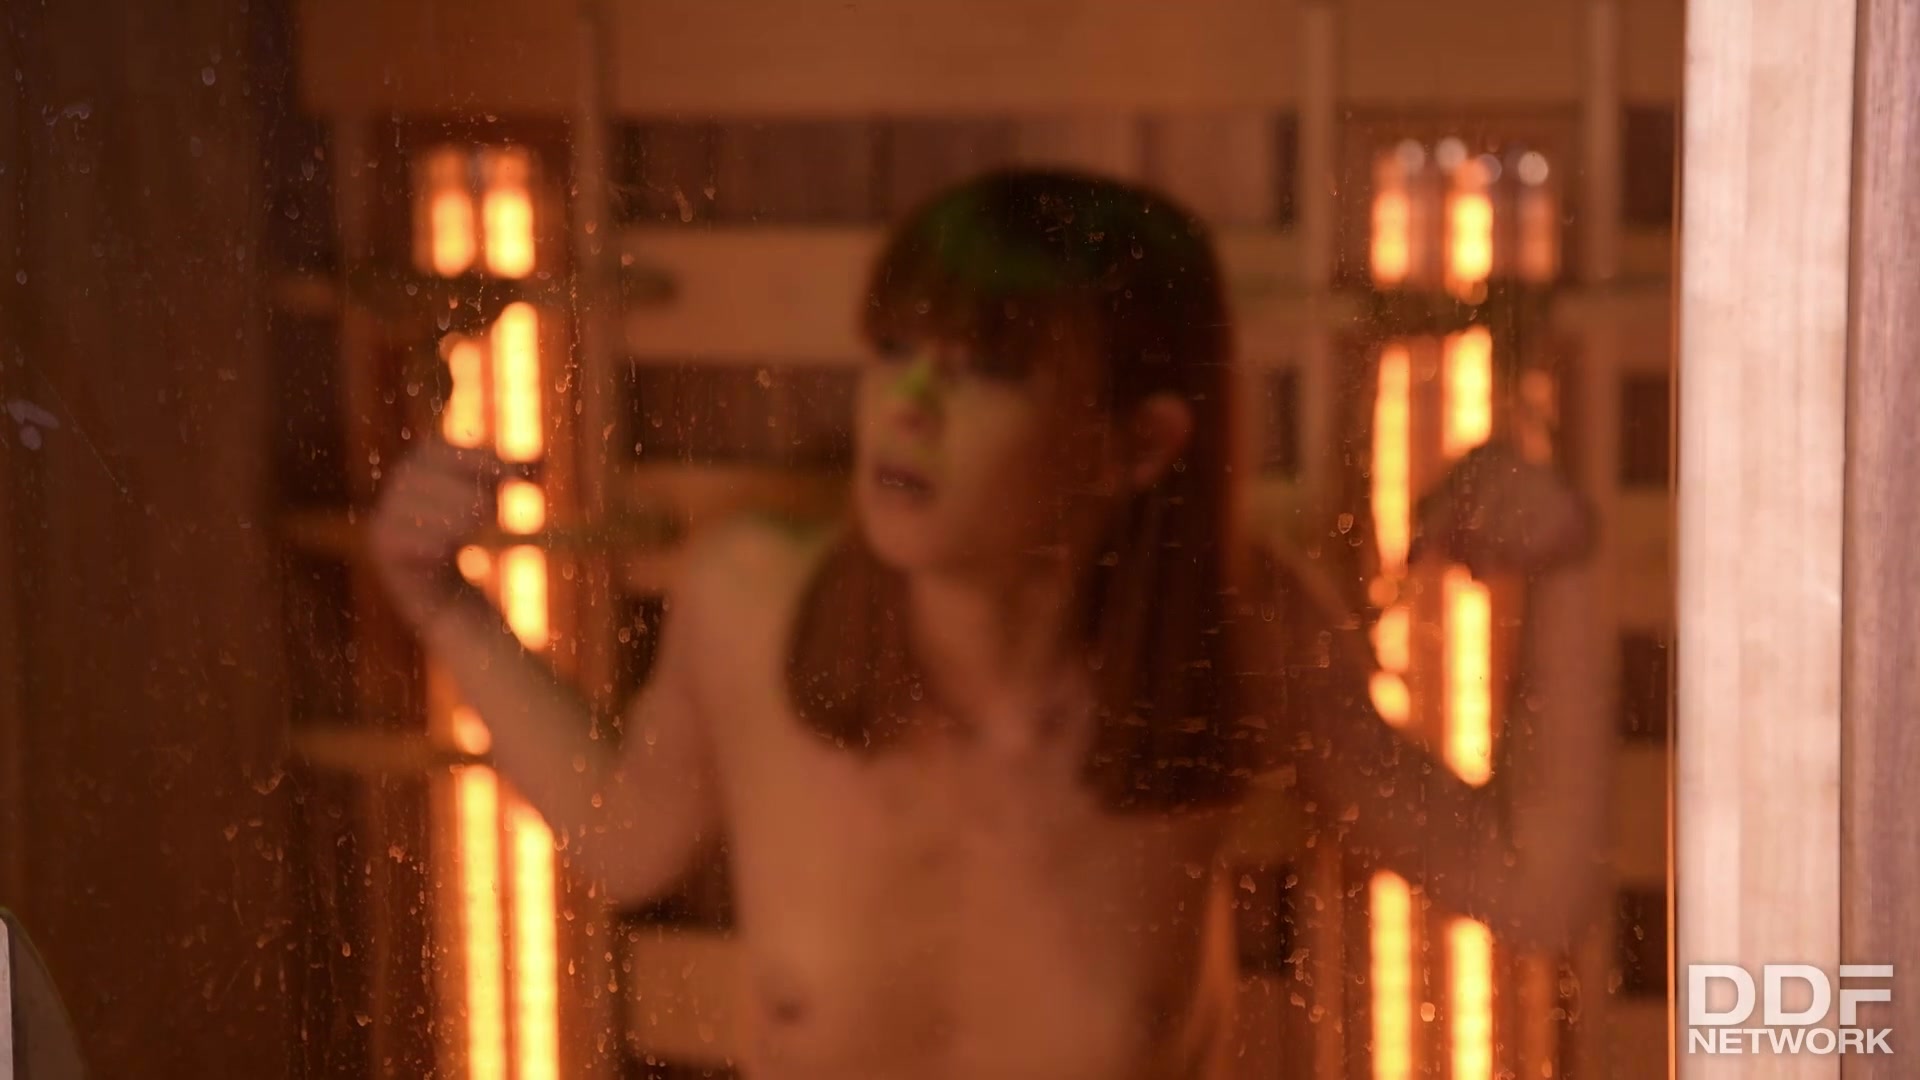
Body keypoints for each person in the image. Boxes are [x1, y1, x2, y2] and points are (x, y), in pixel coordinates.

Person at [370, 169, 1607, 1080]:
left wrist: (1568, 572)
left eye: (986, 369)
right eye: (895, 348)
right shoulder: (754, 606)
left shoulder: (1236, 633)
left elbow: (1529, 890)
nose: (906, 403)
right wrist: (443, 603)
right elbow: (628, 837)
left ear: (1139, 445)